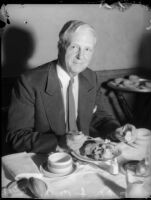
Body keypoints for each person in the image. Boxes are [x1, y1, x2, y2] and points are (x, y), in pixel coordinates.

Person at [6, 20, 135, 154]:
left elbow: (98, 116)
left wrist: (116, 131)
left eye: (87, 49)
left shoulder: (91, 77)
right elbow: (15, 137)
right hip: (48, 159)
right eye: (74, 47)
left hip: (84, 157)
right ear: (60, 46)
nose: (81, 56)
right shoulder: (29, 82)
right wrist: (59, 143)